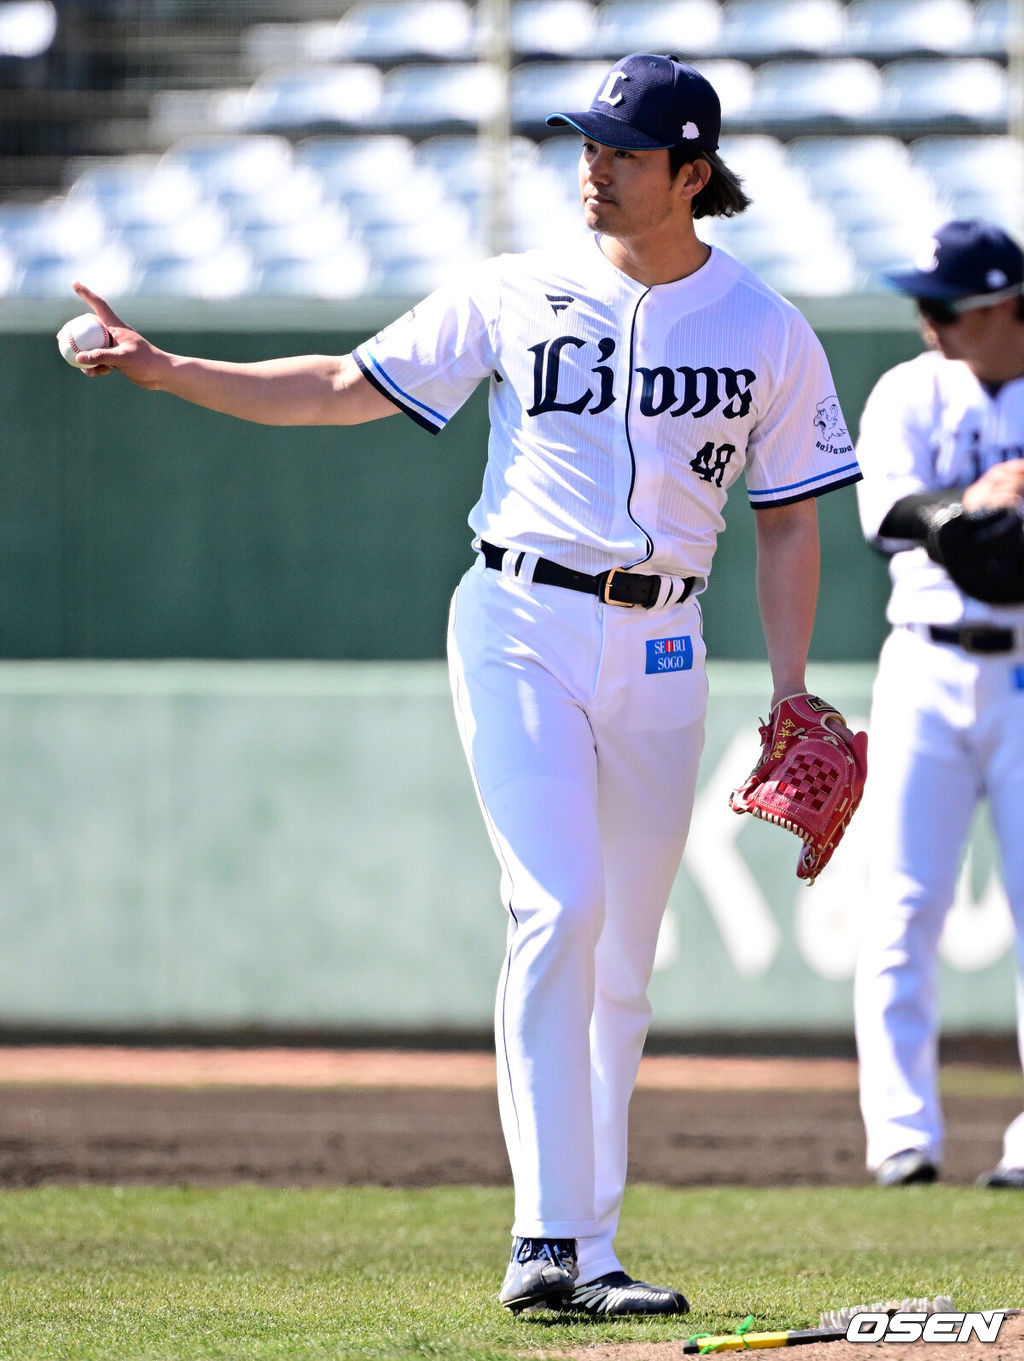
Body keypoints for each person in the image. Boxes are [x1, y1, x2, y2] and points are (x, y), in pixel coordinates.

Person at [66, 54, 861, 1311]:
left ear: (690, 173)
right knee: (556, 905)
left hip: (664, 646)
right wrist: (172, 372)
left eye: (621, 150)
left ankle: (591, 1249)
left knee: (622, 963)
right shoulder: (515, 288)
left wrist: (795, 688)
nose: (591, 168)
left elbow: (789, 521)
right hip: (517, 617)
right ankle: (544, 1240)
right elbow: (341, 386)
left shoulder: (764, 328)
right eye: (584, 145)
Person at [854, 218, 1024, 1190]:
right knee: (902, 904)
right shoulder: (906, 388)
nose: (926, 321)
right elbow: (889, 515)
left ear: (1004, 304)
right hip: (923, 661)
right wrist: (970, 506)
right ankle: (901, 1139)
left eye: (946, 304)